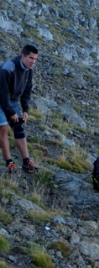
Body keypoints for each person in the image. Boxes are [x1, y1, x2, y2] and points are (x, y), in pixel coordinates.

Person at [0, 45, 39, 174]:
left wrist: (25, 109)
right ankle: (9, 162)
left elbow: (27, 91)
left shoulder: (29, 69)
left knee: (18, 127)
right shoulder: (7, 68)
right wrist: (11, 112)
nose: (33, 61)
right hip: (1, 97)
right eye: (30, 58)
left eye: (35, 59)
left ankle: (26, 161)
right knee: (3, 127)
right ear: (23, 56)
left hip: (12, 99)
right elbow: (3, 94)